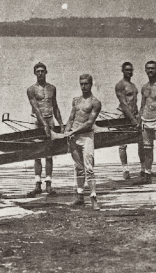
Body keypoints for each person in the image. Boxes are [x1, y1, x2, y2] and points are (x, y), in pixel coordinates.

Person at [26, 63, 65, 197]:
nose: (40, 73)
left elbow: (55, 106)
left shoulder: (52, 88)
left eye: (42, 71)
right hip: (37, 122)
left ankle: (48, 184)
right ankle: (37, 184)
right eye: (38, 71)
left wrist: (61, 122)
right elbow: (36, 109)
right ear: (35, 73)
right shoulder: (31, 89)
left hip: (50, 120)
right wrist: (44, 126)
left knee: (49, 153)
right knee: (37, 153)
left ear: (46, 72)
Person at [64, 74, 102, 210]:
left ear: (91, 84)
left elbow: (89, 123)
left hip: (86, 137)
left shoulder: (95, 102)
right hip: (74, 138)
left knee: (89, 169)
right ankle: (80, 197)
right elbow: (71, 118)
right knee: (78, 168)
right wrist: (66, 131)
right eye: (81, 84)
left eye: (86, 84)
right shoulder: (76, 100)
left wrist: (73, 132)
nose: (83, 86)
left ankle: (93, 198)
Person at [115, 62, 143, 180]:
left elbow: (135, 103)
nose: (129, 72)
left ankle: (144, 169)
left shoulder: (133, 85)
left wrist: (138, 117)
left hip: (135, 115)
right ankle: (125, 170)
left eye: (131, 70)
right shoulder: (120, 85)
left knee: (142, 141)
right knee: (122, 144)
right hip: (124, 116)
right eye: (127, 70)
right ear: (122, 71)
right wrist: (131, 119)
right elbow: (124, 103)